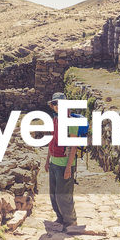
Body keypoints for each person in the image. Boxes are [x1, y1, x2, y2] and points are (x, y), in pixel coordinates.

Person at [44, 91, 78, 228]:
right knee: (53, 194)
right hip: (54, 162)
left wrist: (69, 167)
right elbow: (52, 141)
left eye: (59, 103)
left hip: (65, 164)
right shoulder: (56, 119)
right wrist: (47, 160)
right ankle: (60, 218)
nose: (57, 106)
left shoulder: (72, 122)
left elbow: (73, 146)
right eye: (54, 103)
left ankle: (71, 221)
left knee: (63, 196)